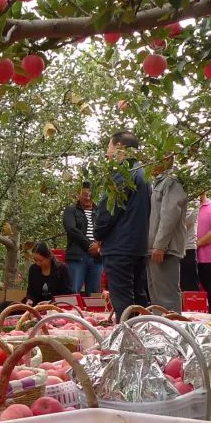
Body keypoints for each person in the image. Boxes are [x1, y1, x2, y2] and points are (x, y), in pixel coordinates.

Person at [94, 131, 151, 320]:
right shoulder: (144, 173)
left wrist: (98, 233)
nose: (107, 153)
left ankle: (129, 344)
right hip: (138, 245)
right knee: (139, 298)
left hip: (120, 246)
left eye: (109, 147)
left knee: (123, 301)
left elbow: (109, 208)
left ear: (119, 147)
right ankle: (146, 340)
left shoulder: (123, 173)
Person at [147, 154, 188, 312]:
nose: (151, 163)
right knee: (157, 300)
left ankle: (172, 334)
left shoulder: (172, 181)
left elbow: (170, 215)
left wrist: (160, 245)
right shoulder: (159, 182)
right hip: (154, 248)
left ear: (168, 159)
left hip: (165, 249)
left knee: (167, 299)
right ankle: (160, 333)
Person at [63, 181, 102, 295]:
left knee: (95, 294)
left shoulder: (100, 211)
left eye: (89, 195)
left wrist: (98, 247)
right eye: (84, 195)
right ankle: (72, 312)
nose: (87, 197)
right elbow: (71, 229)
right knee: (73, 291)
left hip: (97, 258)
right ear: (79, 195)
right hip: (77, 256)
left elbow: (107, 229)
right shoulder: (71, 210)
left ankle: (94, 313)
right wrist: (90, 245)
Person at [180, 201, 200, 291]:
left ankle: (193, 305)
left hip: (188, 248)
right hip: (174, 249)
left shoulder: (194, 202)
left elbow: (187, 221)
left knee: (190, 286)